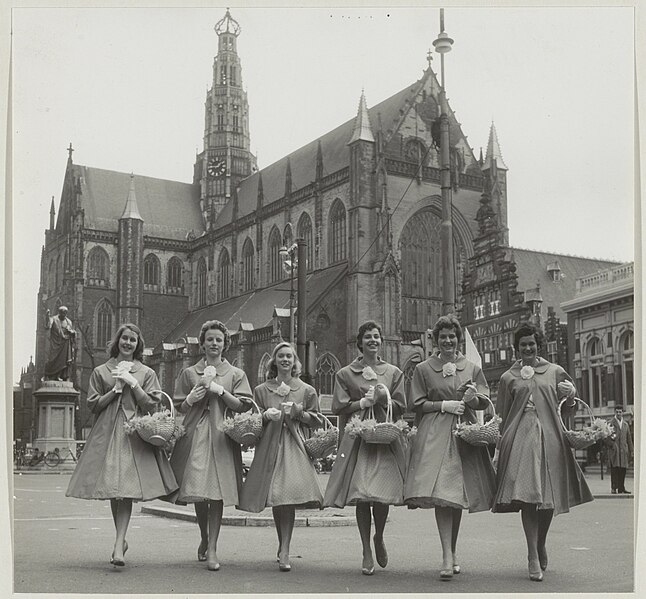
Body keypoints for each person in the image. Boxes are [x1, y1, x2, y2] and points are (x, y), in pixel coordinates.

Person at [66, 323, 178, 567]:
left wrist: (134, 385)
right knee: (113, 489)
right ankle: (121, 540)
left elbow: (151, 405)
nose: (128, 343)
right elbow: (93, 405)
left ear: (138, 345)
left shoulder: (146, 372)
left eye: (133, 340)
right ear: (117, 341)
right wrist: (116, 390)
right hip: (106, 434)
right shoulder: (101, 371)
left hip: (134, 433)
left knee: (124, 489)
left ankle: (118, 544)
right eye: (125, 338)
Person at [492, 322, 593, 582]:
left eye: (531, 344)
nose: (527, 348)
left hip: (550, 439)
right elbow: (501, 415)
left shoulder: (555, 371)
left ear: (538, 345)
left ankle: (541, 542)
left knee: (547, 499)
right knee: (528, 496)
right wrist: (497, 447)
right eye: (523, 344)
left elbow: (568, 408)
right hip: (521, 441)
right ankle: (531, 556)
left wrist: (571, 396)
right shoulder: (508, 377)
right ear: (516, 348)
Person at [404, 314, 496, 581]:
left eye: (452, 336)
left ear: (458, 339)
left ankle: (452, 552)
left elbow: (483, 399)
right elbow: (416, 403)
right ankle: (446, 554)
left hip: (463, 434)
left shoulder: (471, 368)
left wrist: (473, 398)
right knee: (443, 492)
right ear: (435, 339)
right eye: (442, 336)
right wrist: (442, 405)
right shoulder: (423, 368)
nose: (447, 341)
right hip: (435, 433)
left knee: (455, 496)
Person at [323, 321, 407, 576]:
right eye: (368, 337)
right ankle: (365, 550)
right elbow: (339, 406)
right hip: (360, 439)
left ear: (381, 341)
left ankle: (378, 536)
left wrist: (384, 398)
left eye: (377, 336)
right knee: (362, 494)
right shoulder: (346, 373)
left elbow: (402, 405)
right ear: (359, 343)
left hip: (383, 438)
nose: (373, 340)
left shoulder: (392, 372)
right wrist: (362, 402)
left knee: (380, 496)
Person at [169, 320, 252, 571]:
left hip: (221, 435)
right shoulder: (189, 372)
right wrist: (190, 399)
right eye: (210, 339)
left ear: (225, 344)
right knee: (198, 489)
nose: (214, 343)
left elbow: (243, 405)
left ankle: (213, 546)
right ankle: (204, 536)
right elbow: (178, 406)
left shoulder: (235, 374)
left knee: (216, 492)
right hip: (195, 433)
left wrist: (220, 391)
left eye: (219, 340)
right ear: (202, 344)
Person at [238, 341, 323, 572]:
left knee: (288, 497)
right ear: (274, 361)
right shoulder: (262, 390)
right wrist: (265, 415)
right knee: (277, 497)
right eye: (281, 356)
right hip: (270, 447)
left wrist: (299, 413)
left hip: (294, 445)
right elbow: (252, 419)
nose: (285, 360)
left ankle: (285, 548)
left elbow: (317, 419)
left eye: (289, 356)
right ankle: (281, 543)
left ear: (295, 362)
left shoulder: (306, 389)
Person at [605, 405, 633, 494]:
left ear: (622, 413)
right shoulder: (610, 423)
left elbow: (629, 438)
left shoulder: (625, 425)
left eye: (620, 412)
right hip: (614, 451)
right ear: (614, 412)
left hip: (623, 451)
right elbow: (606, 437)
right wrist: (612, 445)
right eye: (617, 412)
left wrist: (631, 450)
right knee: (615, 469)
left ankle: (621, 488)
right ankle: (614, 488)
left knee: (622, 470)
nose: (618, 413)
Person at [44, 306, 76, 381]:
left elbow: (73, 332)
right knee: (53, 359)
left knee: (64, 361)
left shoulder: (69, 321)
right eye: (62, 313)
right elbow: (48, 325)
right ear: (59, 312)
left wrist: (72, 332)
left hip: (66, 343)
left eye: (65, 313)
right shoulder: (54, 319)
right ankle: (52, 376)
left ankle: (61, 376)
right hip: (55, 343)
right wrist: (47, 317)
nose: (63, 314)